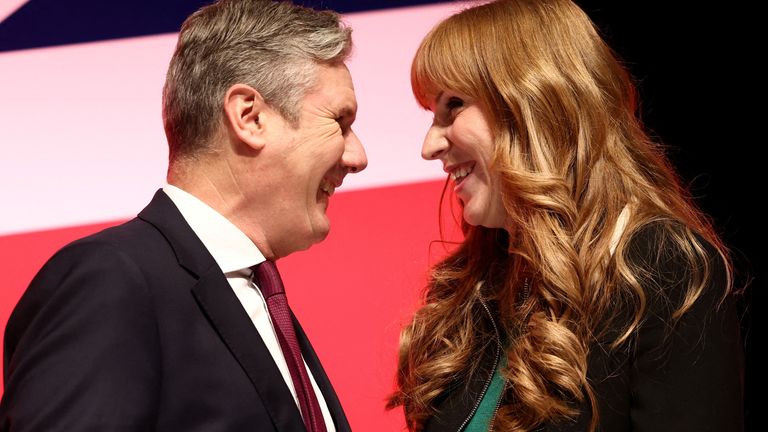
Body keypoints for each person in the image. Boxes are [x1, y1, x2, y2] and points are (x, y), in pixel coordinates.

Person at [0, 0, 366, 430]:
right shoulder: (111, 280)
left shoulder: (257, 297)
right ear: (249, 116)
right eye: (339, 122)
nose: (358, 156)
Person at [387, 0, 743, 431]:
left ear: (534, 104)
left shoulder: (661, 266)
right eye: (432, 113)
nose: (429, 146)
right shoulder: (474, 290)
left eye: (454, 105)